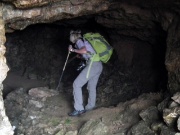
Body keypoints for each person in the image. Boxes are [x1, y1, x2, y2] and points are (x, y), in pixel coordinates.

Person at [68, 30, 103, 116]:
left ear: (73, 37)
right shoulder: (85, 41)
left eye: (70, 36)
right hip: (98, 65)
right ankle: (91, 107)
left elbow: (84, 50)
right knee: (91, 87)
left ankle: (79, 109)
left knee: (76, 84)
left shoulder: (79, 41)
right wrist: (80, 55)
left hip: (92, 65)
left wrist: (72, 50)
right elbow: (88, 53)